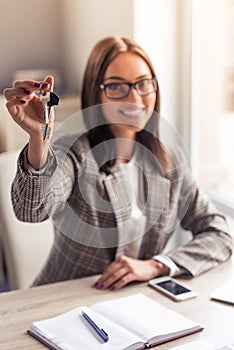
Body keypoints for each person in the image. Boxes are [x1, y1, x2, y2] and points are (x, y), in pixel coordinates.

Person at [3, 36, 233, 290]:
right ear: (95, 93)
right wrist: (38, 138)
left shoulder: (170, 160)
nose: (134, 99)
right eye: (116, 86)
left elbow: (220, 234)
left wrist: (158, 265)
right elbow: (31, 210)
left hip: (134, 304)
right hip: (63, 303)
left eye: (143, 84)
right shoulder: (74, 152)